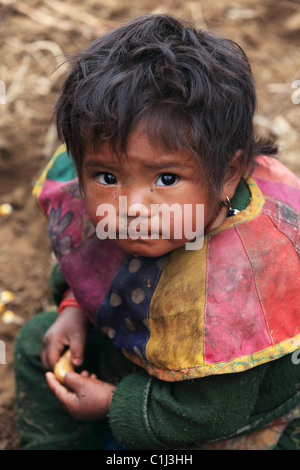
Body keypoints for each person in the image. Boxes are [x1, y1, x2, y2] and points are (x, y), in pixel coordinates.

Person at [14, 14, 300, 450]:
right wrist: (74, 309)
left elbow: (211, 413)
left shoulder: (244, 277)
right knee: (39, 340)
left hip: (223, 403)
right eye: (106, 176)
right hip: (145, 348)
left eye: (165, 179)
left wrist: (112, 404)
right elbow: (91, 264)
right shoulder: (138, 214)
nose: (131, 207)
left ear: (227, 174)